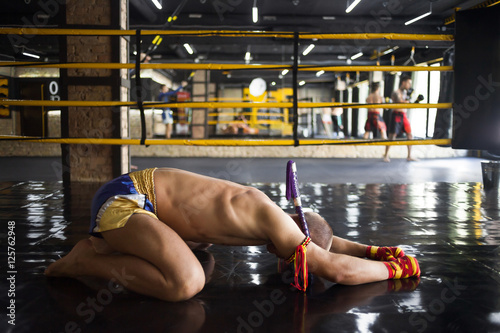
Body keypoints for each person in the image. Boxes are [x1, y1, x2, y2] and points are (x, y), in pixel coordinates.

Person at [45, 168, 420, 302]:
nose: (286, 259)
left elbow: (326, 241)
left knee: (201, 253)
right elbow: (334, 268)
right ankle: (88, 260)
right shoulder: (271, 219)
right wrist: (400, 268)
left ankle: (109, 246)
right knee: (187, 281)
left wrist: (377, 250)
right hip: (126, 200)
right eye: (290, 254)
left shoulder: (280, 218)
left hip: (141, 204)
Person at [383, 75, 418, 162]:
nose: (409, 85)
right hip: (397, 115)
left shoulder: (406, 93)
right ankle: (386, 155)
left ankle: (409, 155)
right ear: (403, 82)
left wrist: (416, 101)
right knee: (392, 136)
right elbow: (400, 102)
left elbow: (408, 104)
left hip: (404, 115)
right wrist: (408, 97)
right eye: (408, 83)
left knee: (409, 135)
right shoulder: (396, 92)